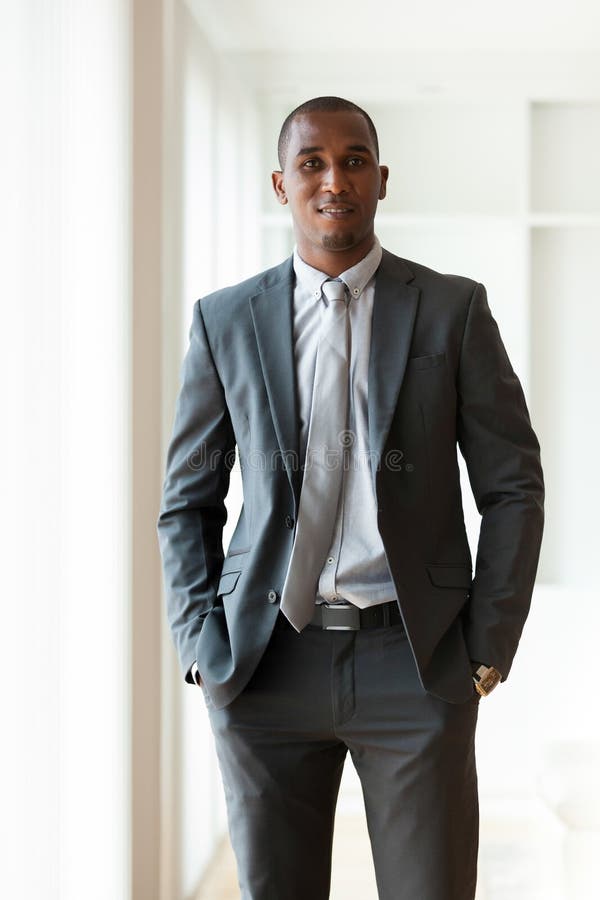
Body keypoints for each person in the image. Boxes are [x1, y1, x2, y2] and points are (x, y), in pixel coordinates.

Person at [157, 96, 544, 900]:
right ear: (281, 183)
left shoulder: (452, 309)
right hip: (264, 664)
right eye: (313, 162)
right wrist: (201, 645)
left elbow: (512, 486)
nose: (335, 179)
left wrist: (486, 645)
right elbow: (186, 502)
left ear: (381, 178)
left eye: (355, 159)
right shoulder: (224, 321)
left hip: (417, 663)